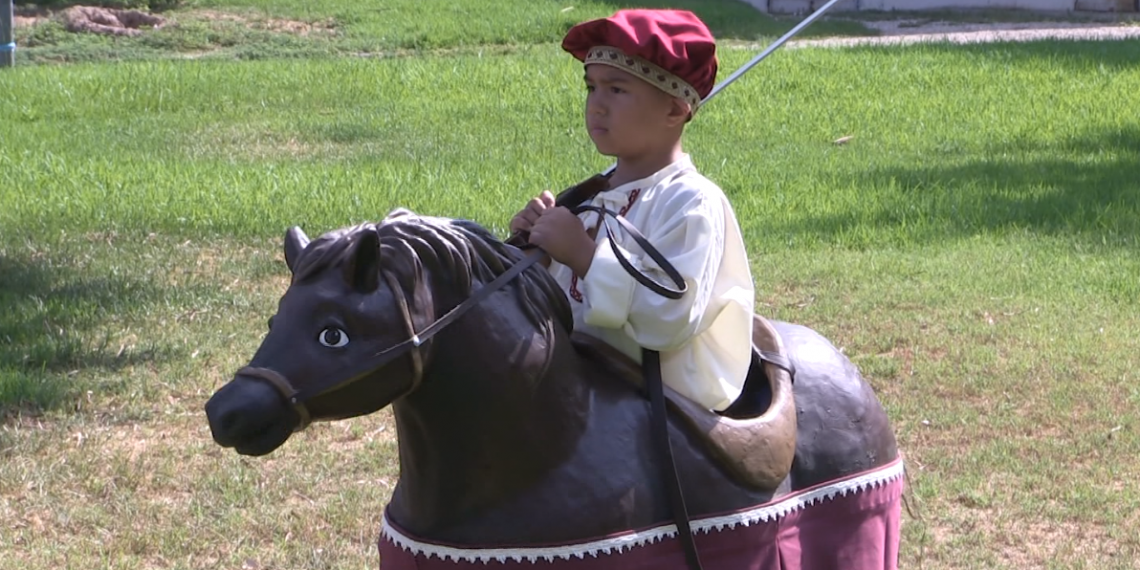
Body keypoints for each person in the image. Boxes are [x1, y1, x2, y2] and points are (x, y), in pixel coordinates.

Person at [509, 9, 754, 412]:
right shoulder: (589, 197)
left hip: (668, 406)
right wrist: (533, 252)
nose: (597, 105)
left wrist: (586, 257)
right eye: (592, 88)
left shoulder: (691, 202)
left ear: (674, 111)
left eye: (617, 90)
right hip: (586, 386)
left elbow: (670, 318)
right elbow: (564, 307)